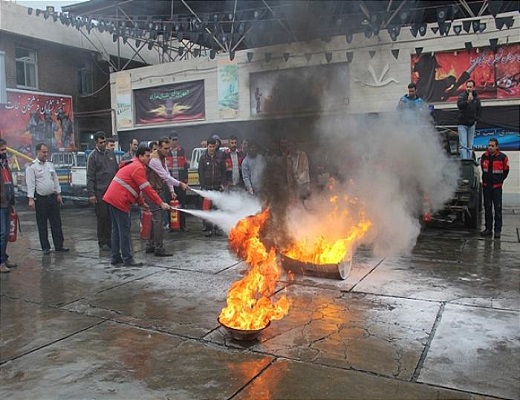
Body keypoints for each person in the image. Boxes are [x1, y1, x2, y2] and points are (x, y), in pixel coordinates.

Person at [103, 146, 170, 267]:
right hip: (119, 200)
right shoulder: (138, 168)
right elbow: (147, 188)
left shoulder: (134, 165)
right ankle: (128, 259)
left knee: (116, 230)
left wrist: (141, 203)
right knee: (124, 231)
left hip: (111, 198)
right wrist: (161, 203)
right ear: (140, 156)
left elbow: (136, 187)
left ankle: (115, 257)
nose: (149, 158)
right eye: (147, 156)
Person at [145, 137, 188, 256]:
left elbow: (167, 174)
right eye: (165, 148)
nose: (167, 151)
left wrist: (172, 190)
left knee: (155, 220)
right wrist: (180, 184)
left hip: (156, 190)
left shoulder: (162, 158)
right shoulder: (154, 160)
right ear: (159, 147)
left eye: (168, 148)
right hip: (152, 191)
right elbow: (166, 176)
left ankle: (150, 245)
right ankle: (158, 249)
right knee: (158, 220)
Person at [25, 143, 69, 255]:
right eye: (43, 152)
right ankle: (45, 247)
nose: (46, 154)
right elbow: (30, 184)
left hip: (52, 198)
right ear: (37, 152)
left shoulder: (50, 165)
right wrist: (30, 199)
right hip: (41, 199)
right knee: (42, 224)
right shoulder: (32, 167)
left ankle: (59, 245)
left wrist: (58, 193)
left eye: (46, 152)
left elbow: (55, 180)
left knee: (56, 223)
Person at [87, 131, 119, 251]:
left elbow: (116, 171)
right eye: (101, 142)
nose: (104, 144)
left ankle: (110, 241)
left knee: (111, 218)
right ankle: (102, 242)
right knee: (102, 218)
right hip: (100, 193)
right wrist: (91, 194)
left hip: (112, 192)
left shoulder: (111, 154)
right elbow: (90, 177)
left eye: (105, 141)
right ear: (96, 142)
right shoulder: (93, 156)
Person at [480, 138, 509, 239]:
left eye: (492, 146)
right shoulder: (484, 156)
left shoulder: (503, 157)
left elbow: (506, 171)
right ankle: (488, 229)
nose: (490, 148)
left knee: (498, 209)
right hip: (486, 187)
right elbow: (483, 169)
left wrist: (500, 180)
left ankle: (497, 230)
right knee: (487, 208)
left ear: (497, 147)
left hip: (497, 188)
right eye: (489, 146)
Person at [198, 138, 226, 237]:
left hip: (218, 187)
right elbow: (200, 173)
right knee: (208, 209)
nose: (212, 149)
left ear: (216, 146)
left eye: (213, 147)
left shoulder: (220, 156)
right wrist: (203, 187)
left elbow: (224, 171)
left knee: (218, 208)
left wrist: (223, 184)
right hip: (208, 188)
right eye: (210, 147)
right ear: (207, 146)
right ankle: (208, 229)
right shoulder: (203, 158)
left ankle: (218, 228)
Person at [0, 139, 17, 273]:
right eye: (1, 150)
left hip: (7, 203)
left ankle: (4, 258)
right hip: (0, 205)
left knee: (6, 234)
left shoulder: (5, 165)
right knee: (2, 233)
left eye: (5, 149)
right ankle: (1, 262)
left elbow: (9, 183)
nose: (4, 152)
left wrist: (12, 202)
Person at [167, 133, 189, 231]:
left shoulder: (181, 151)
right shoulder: (166, 152)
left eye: (176, 140)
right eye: (173, 140)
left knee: (182, 205)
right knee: (169, 205)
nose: (175, 142)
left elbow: (185, 167)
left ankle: (183, 225)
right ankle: (172, 226)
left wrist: (185, 181)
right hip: (170, 184)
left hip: (180, 183)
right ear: (170, 140)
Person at [457, 80, 481, 160]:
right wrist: (467, 101)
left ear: (473, 88)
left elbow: (479, 109)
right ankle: (464, 161)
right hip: (462, 124)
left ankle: (469, 161)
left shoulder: (477, 98)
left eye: (470, 87)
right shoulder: (462, 96)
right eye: (467, 87)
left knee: (470, 145)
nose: (468, 89)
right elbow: (459, 105)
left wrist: (476, 120)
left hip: (471, 124)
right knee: (463, 145)